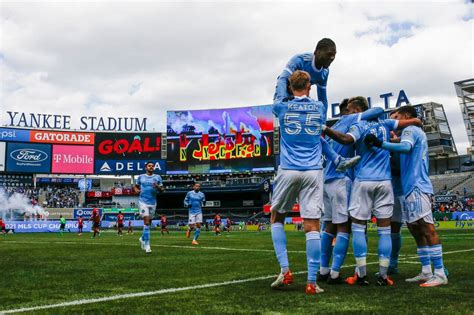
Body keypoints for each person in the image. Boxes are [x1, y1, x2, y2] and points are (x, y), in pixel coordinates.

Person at [323, 99, 422, 286]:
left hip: (363, 181)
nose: (348, 115)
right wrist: (416, 121)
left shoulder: (358, 125)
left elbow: (346, 140)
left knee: (359, 228)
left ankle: (361, 275)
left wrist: (326, 130)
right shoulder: (386, 123)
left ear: (359, 110)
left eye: (351, 111)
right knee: (385, 230)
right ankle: (384, 276)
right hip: (384, 182)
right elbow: (404, 123)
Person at [365, 105, 448, 287]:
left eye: (397, 116)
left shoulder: (411, 129)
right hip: (410, 187)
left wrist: (379, 143)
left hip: (417, 186)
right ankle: (426, 271)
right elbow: (399, 143)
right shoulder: (414, 131)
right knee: (415, 228)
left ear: (406, 115)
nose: (396, 120)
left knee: (426, 227)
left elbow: (405, 147)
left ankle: (440, 273)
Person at [270, 70, 325, 295]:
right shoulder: (320, 108)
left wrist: (283, 76)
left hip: (289, 168)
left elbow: (277, 95)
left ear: (290, 88)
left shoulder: (281, 106)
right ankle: (312, 282)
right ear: (309, 86)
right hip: (313, 170)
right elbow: (323, 96)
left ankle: (285, 270)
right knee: (312, 224)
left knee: (277, 217)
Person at [319, 97, 384, 284]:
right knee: (345, 227)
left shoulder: (337, 124)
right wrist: (359, 114)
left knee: (328, 225)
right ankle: (335, 273)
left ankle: (323, 270)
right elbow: (378, 110)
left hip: (326, 180)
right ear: (353, 110)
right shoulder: (350, 120)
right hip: (341, 180)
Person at [274, 38, 359, 173]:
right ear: (317, 52)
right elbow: (283, 79)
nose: (332, 58)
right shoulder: (299, 60)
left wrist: (322, 125)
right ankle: (289, 164)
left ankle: (338, 160)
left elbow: (323, 99)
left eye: (334, 55)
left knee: (313, 130)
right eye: (329, 54)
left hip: (302, 99)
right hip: (286, 98)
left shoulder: (324, 72)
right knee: (303, 131)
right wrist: (282, 102)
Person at [134, 161, 164, 253]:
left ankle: (142, 238)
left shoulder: (157, 177)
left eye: (152, 166)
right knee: (146, 223)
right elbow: (135, 186)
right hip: (143, 202)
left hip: (153, 202)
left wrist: (157, 186)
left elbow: (162, 190)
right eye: (149, 166)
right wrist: (136, 190)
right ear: (146, 168)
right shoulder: (141, 176)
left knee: (148, 224)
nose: (151, 167)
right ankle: (147, 246)